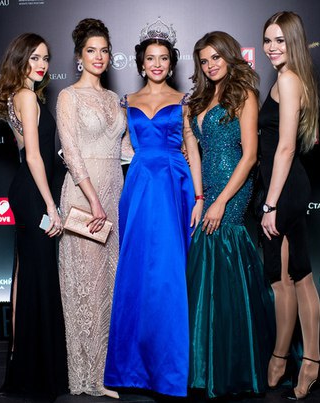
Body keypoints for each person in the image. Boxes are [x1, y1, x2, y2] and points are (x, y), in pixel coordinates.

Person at [104, 18, 203, 397]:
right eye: (150, 58)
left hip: (174, 185)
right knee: (137, 271)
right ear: (141, 64)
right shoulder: (126, 101)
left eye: (163, 58)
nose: (157, 64)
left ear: (171, 63)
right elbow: (116, 147)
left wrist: (199, 197)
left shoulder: (185, 101)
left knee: (168, 273)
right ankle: (132, 370)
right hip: (140, 185)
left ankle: (171, 372)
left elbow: (192, 149)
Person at [186, 31, 275, 399]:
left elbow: (250, 155)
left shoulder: (244, 95)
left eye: (216, 57)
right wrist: (200, 197)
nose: (210, 65)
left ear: (229, 56)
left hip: (233, 189)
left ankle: (236, 363)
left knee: (226, 258)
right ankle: (205, 363)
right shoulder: (201, 97)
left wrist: (222, 201)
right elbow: (194, 150)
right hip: (208, 188)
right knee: (206, 266)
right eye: (204, 61)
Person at [0, 33, 68, 400]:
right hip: (34, 194)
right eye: (34, 57)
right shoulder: (27, 97)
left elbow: (29, 153)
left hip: (25, 189)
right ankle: (37, 373)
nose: (41, 65)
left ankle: (24, 364)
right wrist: (51, 205)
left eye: (45, 58)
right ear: (20, 59)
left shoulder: (17, 96)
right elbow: (33, 156)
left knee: (28, 275)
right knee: (39, 276)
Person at [258, 11, 320, 400]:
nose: (272, 47)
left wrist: (269, 206)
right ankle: (285, 359)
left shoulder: (287, 79)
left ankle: (307, 362)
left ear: (294, 42)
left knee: (296, 277)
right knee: (292, 277)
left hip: (283, 190)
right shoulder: (291, 77)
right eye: (268, 40)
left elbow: (285, 147)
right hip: (285, 186)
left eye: (280, 40)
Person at [56, 18, 126, 399]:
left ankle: (106, 370)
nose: (98, 57)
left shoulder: (116, 99)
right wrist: (95, 201)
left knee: (110, 287)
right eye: (91, 51)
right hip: (85, 198)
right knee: (87, 287)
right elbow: (71, 152)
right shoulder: (68, 97)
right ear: (79, 57)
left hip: (115, 193)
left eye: (104, 50)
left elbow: (124, 150)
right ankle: (88, 376)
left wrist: (166, 151)